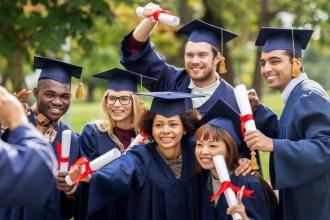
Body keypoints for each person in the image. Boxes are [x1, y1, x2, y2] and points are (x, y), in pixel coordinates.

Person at [120, 2, 275, 165]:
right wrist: (151, 19)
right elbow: (135, 53)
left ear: (217, 58)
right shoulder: (171, 79)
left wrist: (244, 161)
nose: (194, 61)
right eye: (190, 55)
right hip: (167, 177)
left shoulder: (235, 101)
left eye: (202, 55)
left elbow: (244, 151)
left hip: (207, 184)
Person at [69, 92, 202, 220]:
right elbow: (120, 169)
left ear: (184, 128)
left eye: (173, 124)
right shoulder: (141, 155)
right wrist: (91, 177)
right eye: (158, 125)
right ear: (151, 129)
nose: (165, 131)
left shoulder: (195, 151)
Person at [245, 27, 330, 219]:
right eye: (263, 63)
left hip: (315, 206)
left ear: (296, 62)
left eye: (275, 61)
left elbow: (326, 146)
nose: (266, 69)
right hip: (303, 198)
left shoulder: (308, 95)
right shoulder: (296, 95)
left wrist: (273, 144)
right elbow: (290, 133)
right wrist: (259, 111)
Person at [0, 56, 82, 220]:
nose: (58, 102)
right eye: (50, 94)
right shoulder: (13, 126)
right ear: (36, 93)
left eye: (65, 96)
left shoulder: (72, 140)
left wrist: (71, 191)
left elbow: (69, 209)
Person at [76, 68, 157, 219]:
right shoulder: (93, 133)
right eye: (111, 98)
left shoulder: (147, 137)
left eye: (124, 98)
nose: (116, 104)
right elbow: (87, 181)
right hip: (103, 212)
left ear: (135, 101)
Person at [195, 98, 278, 220]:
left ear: (229, 150)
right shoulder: (204, 178)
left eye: (213, 145)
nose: (204, 151)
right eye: (199, 145)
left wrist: (244, 217)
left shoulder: (248, 183)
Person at [0, 86, 57, 206]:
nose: (57, 101)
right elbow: (39, 165)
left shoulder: (72, 136)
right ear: (36, 94)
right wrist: (16, 119)